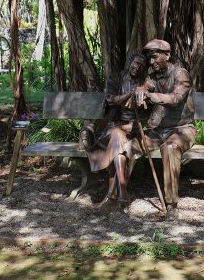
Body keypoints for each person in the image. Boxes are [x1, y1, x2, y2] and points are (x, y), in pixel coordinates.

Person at [80, 52, 153, 208]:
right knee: (117, 138)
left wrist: (143, 93)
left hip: (137, 127)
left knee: (117, 142)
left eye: (141, 66)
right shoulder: (116, 78)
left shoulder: (145, 81)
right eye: (135, 63)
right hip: (115, 124)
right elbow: (111, 100)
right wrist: (129, 95)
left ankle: (114, 196)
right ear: (130, 63)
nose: (137, 67)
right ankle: (122, 194)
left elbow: (150, 97)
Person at [134, 39, 196, 215]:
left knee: (169, 148)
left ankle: (171, 204)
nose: (151, 62)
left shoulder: (180, 74)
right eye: (149, 59)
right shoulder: (152, 76)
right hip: (156, 131)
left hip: (182, 129)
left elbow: (175, 99)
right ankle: (117, 197)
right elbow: (145, 86)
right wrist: (140, 91)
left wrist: (151, 96)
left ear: (167, 55)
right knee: (127, 146)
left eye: (154, 57)